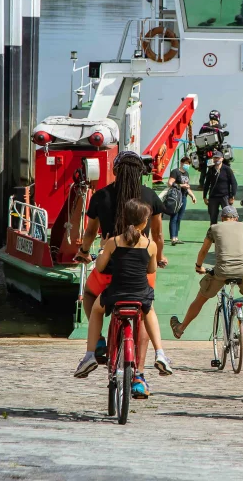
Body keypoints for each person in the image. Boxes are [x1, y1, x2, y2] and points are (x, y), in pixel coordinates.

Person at [74, 150, 167, 398]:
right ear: (141, 173)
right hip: (141, 271)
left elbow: (90, 232)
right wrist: (158, 256)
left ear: (115, 171)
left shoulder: (101, 196)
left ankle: (100, 342)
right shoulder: (149, 197)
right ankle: (139, 375)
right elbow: (157, 235)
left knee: (91, 294)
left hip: (109, 274)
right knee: (145, 312)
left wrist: (84, 252)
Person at [74, 199, 173, 378]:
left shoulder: (114, 242)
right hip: (140, 294)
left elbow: (100, 267)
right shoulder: (150, 245)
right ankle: (160, 353)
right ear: (144, 222)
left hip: (115, 293)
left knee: (96, 310)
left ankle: (89, 355)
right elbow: (151, 269)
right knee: (149, 310)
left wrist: (103, 250)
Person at [169, 206, 243, 341]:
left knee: (201, 298)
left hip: (221, 272)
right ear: (236, 218)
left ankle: (180, 329)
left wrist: (198, 266)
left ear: (222, 218)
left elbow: (203, 251)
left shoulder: (214, 228)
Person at [168, 156, 197, 245]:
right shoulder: (175, 172)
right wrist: (181, 185)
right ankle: (173, 237)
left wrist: (192, 196)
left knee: (179, 217)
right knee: (174, 216)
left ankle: (176, 237)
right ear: (181, 163)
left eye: (188, 164)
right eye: (186, 163)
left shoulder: (186, 174)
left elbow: (187, 187)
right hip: (176, 196)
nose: (187, 165)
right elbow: (170, 183)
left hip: (183, 196)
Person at [203, 150, 237, 225]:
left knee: (228, 215)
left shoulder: (227, 169)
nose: (216, 160)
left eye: (218, 158)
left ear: (222, 158)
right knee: (213, 216)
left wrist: (232, 196)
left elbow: (234, 183)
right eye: (215, 158)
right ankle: (213, 233)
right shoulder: (211, 170)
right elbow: (207, 183)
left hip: (224, 196)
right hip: (213, 197)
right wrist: (204, 196)